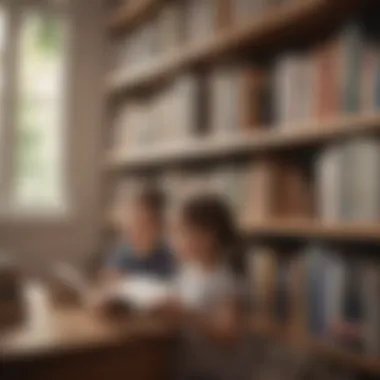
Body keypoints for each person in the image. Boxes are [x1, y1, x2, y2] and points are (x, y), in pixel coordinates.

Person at [167, 194, 255, 380]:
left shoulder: (228, 277)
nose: (176, 241)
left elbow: (229, 334)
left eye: (184, 233)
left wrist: (186, 315)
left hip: (214, 372)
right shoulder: (188, 269)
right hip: (188, 364)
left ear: (208, 236)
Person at [103, 185, 175, 282]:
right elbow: (111, 280)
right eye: (133, 225)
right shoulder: (121, 253)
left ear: (159, 226)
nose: (137, 232)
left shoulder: (168, 256)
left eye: (145, 224)